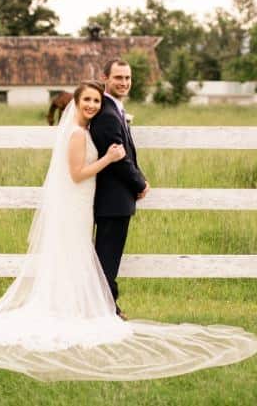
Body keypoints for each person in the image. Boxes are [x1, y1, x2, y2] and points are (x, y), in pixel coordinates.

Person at [0, 81, 257, 382]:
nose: (93, 105)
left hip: (82, 205)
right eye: (87, 101)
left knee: (78, 254)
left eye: (97, 100)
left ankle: (75, 306)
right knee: (74, 252)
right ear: (76, 103)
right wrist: (110, 159)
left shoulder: (86, 129)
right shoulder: (78, 133)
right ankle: (68, 310)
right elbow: (78, 173)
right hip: (76, 201)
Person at [89, 58, 148, 320]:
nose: (124, 83)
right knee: (107, 259)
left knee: (107, 256)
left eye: (127, 78)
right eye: (118, 78)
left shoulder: (114, 110)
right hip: (112, 199)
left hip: (115, 199)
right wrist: (140, 183)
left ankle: (107, 307)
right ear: (105, 78)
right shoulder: (106, 114)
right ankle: (108, 310)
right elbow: (119, 159)